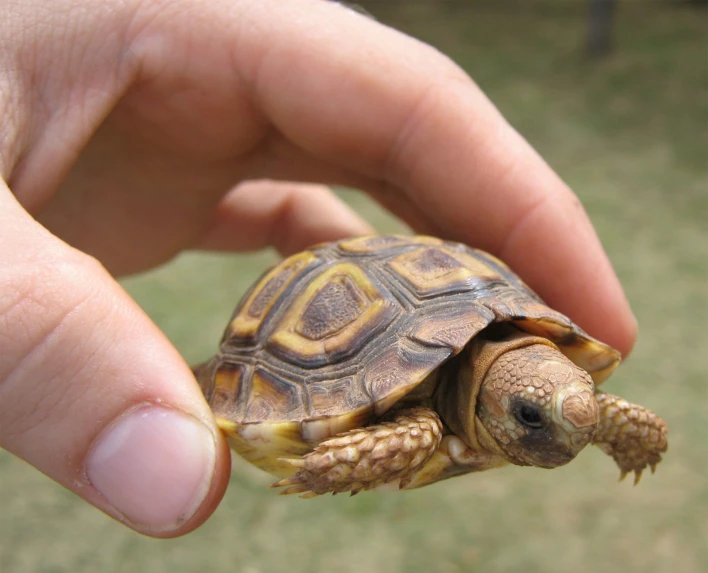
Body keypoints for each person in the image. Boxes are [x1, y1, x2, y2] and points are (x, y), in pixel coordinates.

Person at [0, 0, 636, 538]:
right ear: (493, 403)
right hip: (314, 366)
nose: (559, 440)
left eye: (552, 415)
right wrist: (334, 461)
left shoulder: (550, 386)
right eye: (529, 416)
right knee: (412, 435)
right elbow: (399, 431)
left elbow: (583, 407)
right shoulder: (416, 426)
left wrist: (618, 427)